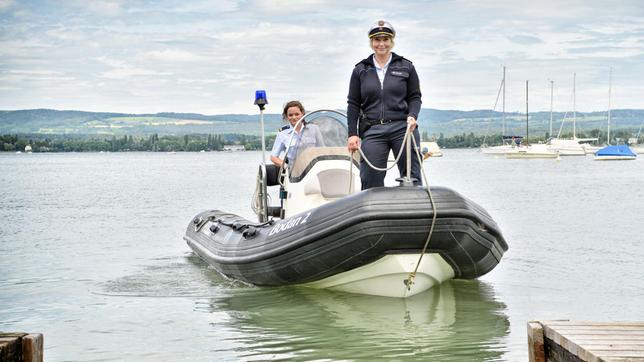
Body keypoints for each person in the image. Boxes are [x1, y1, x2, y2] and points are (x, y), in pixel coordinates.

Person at [346, 20, 422, 190]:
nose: (381, 44)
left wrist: (413, 116)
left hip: (403, 128)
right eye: (377, 40)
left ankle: (413, 211)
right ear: (371, 43)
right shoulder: (360, 69)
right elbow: (353, 103)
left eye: (385, 39)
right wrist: (352, 134)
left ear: (391, 41)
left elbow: (415, 97)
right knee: (369, 177)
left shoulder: (406, 66)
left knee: (412, 177)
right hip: (373, 130)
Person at [271, 100, 325, 168]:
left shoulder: (314, 129)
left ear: (302, 114)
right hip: (294, 173)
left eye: (297, 114)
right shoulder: (282, 133)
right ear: (286, 116)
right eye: (290, 115)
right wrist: (286, 166)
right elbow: (273, 157)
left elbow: (322, 150)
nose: (294, 117)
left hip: (313, 168)